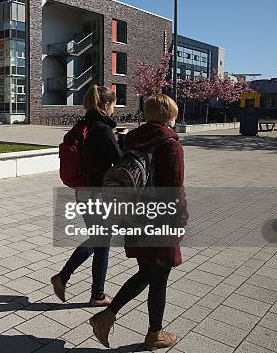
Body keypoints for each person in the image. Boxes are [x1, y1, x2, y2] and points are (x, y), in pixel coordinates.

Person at [89, 94, 188, 351]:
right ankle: (154, 333)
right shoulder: (170, 145)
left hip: (133, 216)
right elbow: (174, 190)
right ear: (168, 115)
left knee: (148, 271)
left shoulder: (133, 140)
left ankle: (106, 317)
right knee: (159, 274)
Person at [51, 85, 127, 307]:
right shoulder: (102, 129)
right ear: (105, 105)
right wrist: (122, 140)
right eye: (113, 104)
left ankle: (93, 292)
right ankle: (72, 281)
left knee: (101, 240)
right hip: (98, 193)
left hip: (83, 192)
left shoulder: (83, 125)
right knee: (101, 240)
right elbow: (120, 160)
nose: (114, 108)